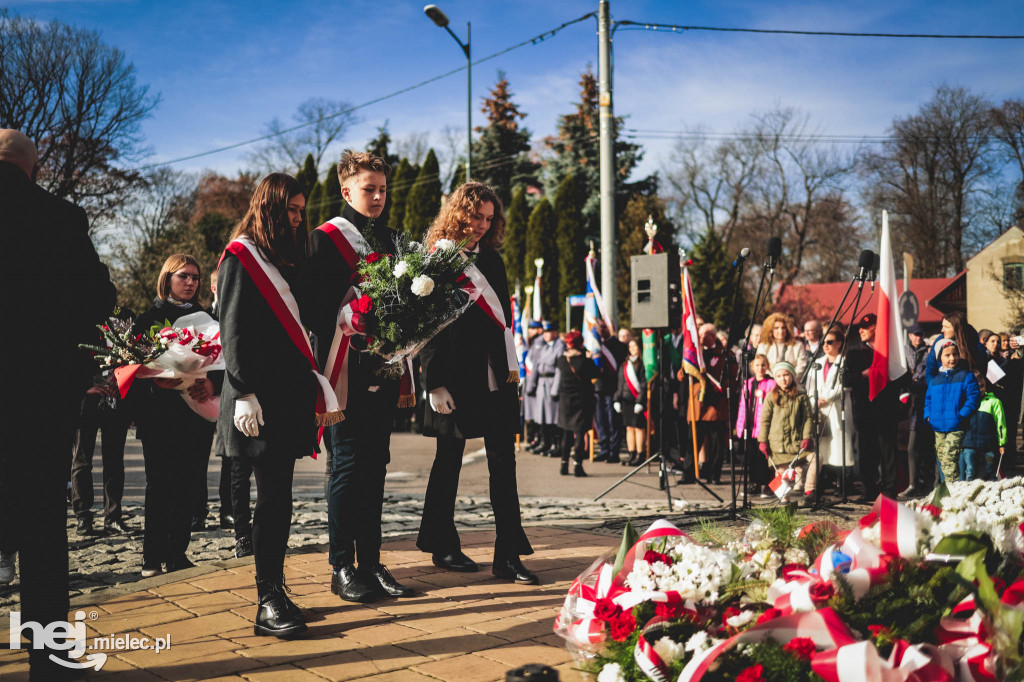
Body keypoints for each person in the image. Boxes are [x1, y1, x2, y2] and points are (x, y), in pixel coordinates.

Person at [1, 129, 116, 676]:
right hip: (39, 395)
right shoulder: (61, 219)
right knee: (44, 523)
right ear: (33, 168)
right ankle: (46, 654)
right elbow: (100, 299)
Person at [417, 182, 537, 585]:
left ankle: (508, 554)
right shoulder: (438, 260)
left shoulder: (494, 262)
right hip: (453, 378)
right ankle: (442, 542)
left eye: (490, 219)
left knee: (504, 464)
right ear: (459, 213)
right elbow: (427, 328)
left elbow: (503, 323)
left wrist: (510, 372)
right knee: (448, 462)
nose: (483, 226)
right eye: (476, 217)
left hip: (496, 375)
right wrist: (434, 383)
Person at [308, 150, 414, 603]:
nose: (377, 197)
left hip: (384, 366)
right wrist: (351, 315)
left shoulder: (395, 240)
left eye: (383, 189)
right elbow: (312, 310)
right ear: (346, 190)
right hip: (343, 370)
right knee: (347, 469)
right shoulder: (324, 240)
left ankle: (370, 562)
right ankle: (341, 566)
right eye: (368, 189)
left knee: (376, 469)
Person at [217, 172, 319, 638]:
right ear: (271, 208)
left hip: (286, 395)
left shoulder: (286, 258)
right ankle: (267, 599)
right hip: (256, 398)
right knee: (272, 499)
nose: (298, 219)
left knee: (280, 500)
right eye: (291, 211)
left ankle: (275, 588)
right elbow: (233, 330)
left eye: (301, 211)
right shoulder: (243, 256)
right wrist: (243, 392)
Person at [129, 255, 219, 577]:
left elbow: (224, 362)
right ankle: (152, 558)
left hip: (196, 414)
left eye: (195, 277)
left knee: (189, 485)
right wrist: (155, 382)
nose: (191, 282)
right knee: (160, 485)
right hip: (159, 417)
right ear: (167, 277)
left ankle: (177, 553)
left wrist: (211, 382)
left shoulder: (207, 320)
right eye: (184, 276)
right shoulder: (148, 319)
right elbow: (128, 370)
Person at [71, 307, 134, 537]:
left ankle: (113, 517)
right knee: (82, 459)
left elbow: (135, 355)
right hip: (86, 399)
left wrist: (123, 382)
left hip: (117, 400)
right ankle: (83, 517)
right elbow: (69, 357)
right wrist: (84, 386)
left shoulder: (125, 318)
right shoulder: (79, 319)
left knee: (115, 459)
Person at [844, 313, 904, 501]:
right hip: (865, 411)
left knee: (888, 452)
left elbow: (902, 377)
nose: (860, 330)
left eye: (865, 327)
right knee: (866, 453)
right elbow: (845, 379)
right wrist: (863, 375)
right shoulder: (854, 353)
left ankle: (889, 491)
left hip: (886, 410)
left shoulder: (892, 352)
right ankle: (869, 490)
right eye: (860, 327)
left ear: (877, 328)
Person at [759, 361, 819, 507]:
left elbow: (808, 419)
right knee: (780, 473)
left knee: (815, 458)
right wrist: (763, 441)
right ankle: (784, 499)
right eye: (778, 376)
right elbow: (765, 420)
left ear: (792, 376)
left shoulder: (801, 395)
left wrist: (807, 436)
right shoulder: (771, 396)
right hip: (778, 444)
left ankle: (809, 491)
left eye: (786, 375)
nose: (783, 379)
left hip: (797, 442)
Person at [924, 340, 982, 484]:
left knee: (950, 458)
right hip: (938, 426)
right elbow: (928, 400)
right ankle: (950, 488)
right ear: (939, 358)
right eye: (947, 355)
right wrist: (928, 416)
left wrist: (961, 415)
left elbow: (973, 398)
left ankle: (951, 491)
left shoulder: (965, 376)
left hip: (956, 426)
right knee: (942, 459)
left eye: (955, 354)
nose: (952, 358)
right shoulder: (935, 379)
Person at [683, 323, 731, 484]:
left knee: (716, 443)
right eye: (700, 334)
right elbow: (680, 376)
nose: (702, 338)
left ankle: (714, 475)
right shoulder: (694, 354)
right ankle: (688, 473)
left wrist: (720, 388)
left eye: (705, 335)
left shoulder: (724, 354)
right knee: (692, 442)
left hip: (716, 406)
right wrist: (686, 366)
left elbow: (732, 378)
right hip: (698, 403)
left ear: (713, 336)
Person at [808, 327, 854, 492]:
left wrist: (825, 398)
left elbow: (845, 385)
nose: (825, 345)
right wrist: (814, 400)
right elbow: (809, 386)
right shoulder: (817, 363)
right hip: (820, 410)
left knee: (840, 445)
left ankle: (843, 482)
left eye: (830, 342)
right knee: (823, 446)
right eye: (823, 342)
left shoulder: (844, 362)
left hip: (837, 407)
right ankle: (824, 480)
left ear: (839, 343)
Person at [556, 330, 600, 477]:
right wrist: (589, 358)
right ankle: (578, 466)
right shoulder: (584, 361)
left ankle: (563, 465)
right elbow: (596, 374)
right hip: (582, 400)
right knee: (580, 433)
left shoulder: (562, 359)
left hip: (565, 400)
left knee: (566, 433)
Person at [735, 354, 776, 497]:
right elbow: (742, 406)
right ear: (752, 367)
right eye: (757, 365)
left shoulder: (771, 384)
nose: (760, 368)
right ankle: (754, 484)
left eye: (763, 365)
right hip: (750, 426)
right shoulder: (748, 383)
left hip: (763, 427)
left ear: (767, 367)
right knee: (751, 457)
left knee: (765, 457)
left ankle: (770, 486)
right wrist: (740, 426)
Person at [903, 323, 935, 497]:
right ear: (909, 335)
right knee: (911, 445)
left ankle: (926, 481)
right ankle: (913, 482)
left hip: (924, 403)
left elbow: (920, 378)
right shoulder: (904, 351)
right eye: (915, 334)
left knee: (925, 446)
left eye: (920, 334)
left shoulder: (927, 356)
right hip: (909, 404)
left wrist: (913, 381)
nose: (918, 338)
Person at [525, 321, 564, 457]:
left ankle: (556, 445)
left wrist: (555, 389)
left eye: (549, 332)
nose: (546, 335)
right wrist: (531, 386)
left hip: (551, 382)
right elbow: (536, 367)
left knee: (553, 416)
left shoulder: (559, 346)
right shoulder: (546, 347)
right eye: (545, 332)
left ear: (555, 332)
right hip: (541, 383)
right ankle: (545, 442)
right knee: (541, 416)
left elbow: (559, 369)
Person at [592, 320, 627, 463]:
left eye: (604, 327)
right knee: (601, 421)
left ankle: (614, 451)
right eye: (599, 327)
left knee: (613, 421)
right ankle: (604, 449)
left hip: (612, 389)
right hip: (597, 388)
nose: (602, 330)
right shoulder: (594, 345)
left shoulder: (618, 346)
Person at [960, 377, 1005, 480]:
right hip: (969, 444)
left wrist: (1002, 443)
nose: (980, 389)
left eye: (982, 386)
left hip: (988, 445)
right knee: (970, 471)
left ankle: (991, 494)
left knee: (990, 471)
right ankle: (969, 494)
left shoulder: (994, 402)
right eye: (976, 386)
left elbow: (1001, 424)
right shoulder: (965, 402)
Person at [614, 338, 647, 467]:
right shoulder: (625, 365)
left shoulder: (643, 364)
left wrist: (640, 401)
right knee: (629, 428)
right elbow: (620, 383)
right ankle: (631, 453)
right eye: (630, 347)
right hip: (626, 400)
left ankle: (640, 454)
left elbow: (644, 385)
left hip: (637, 400)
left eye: (635, 346)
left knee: (639, 428)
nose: (632, 349)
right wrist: (616, 399)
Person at [757, 312, 808, 382]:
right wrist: (775, 381)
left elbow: (801, 367)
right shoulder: (763, 346)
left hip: (793, 384)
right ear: (770, 330)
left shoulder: (798, 346)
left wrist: (789, 381)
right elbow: (761, 366)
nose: (780, 331)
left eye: (783, 327)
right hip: (770, 384)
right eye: (776, 328)